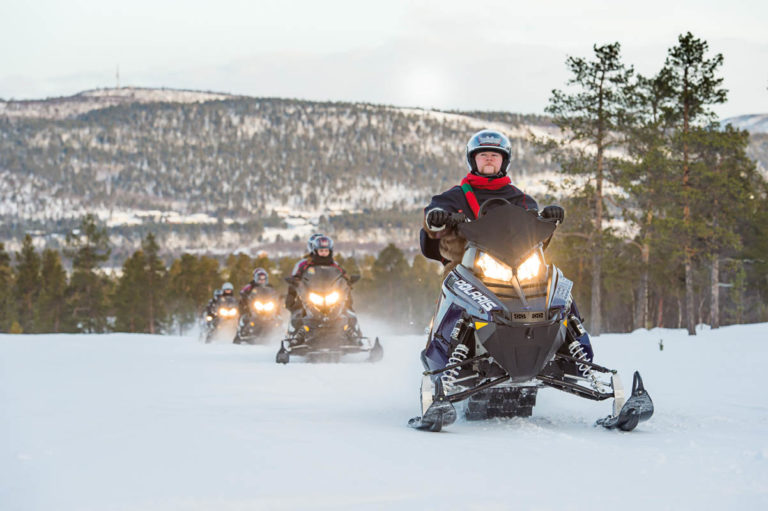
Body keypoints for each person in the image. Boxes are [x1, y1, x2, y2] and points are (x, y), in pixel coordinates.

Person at [419, 129, 591, 360]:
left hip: (516, 268)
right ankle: (444, 352)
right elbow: (432, 218)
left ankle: (574, 349)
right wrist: (437, 217)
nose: (489, 159)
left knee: (556, 282)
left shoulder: (519, 199)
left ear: (504, 160)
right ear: (473, 160)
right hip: (469, 267)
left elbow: (534, 235)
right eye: (483, 155)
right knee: (455, 281)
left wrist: (547, 219)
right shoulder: (454, 197)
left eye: (495, 155)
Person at [285, 234, 358, 338]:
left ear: (330, 251)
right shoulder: (305, 264)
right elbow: (297, 276)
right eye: (321, 251)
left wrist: (348, 281)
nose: (324, 253)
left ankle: (354, 335)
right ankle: (297, 336)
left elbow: (342, 276)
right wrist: (295, 281)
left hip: (330, 293)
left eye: (326, 251)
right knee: (300, 311)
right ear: (315, 251)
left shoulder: (334, 264)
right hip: (311, 293)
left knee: (346, 310)